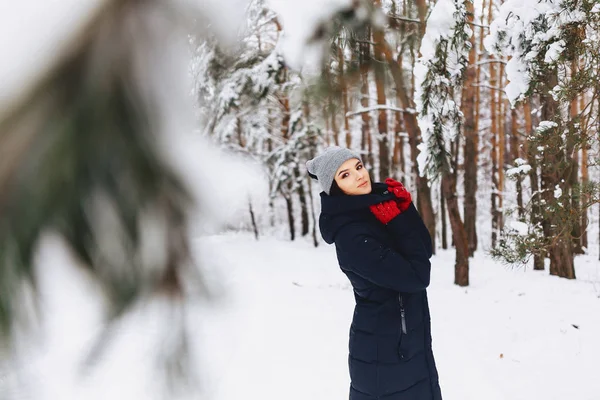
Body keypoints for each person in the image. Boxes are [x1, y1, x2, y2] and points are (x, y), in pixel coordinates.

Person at [306, 146, 442, 400]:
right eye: (344, 175)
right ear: (335, 188)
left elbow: (424, 250)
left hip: (406, 343)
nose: (359, 176)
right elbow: (418, 277)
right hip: (383, 355)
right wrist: (396, 221)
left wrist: (405, 212)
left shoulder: (377, 209)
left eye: (358, 167)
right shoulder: (351, 236)